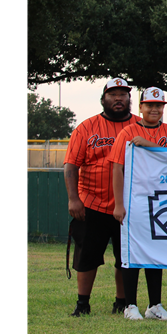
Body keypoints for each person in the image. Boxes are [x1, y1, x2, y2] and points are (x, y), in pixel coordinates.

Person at [64, 78, 141, 316]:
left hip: (128, 206)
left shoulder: (141, 125)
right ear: (103, 99)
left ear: (130, 99)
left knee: (125, 258)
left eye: (123, 94)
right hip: (92, 203)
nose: (118, 98)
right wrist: (73, 198)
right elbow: (70, 166)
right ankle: (82, 303)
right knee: (87, 256)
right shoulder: (87, 127)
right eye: (113, 94)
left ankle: (122, 301)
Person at [110, 86, 167, 320]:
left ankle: (154, 305)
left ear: (163, 108)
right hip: (136, 200)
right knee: (132, 253)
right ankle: (130, 305)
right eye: (149, 105)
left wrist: (149, 145)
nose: (154, 109)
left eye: (158, 105)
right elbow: (117, 167)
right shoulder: (128, 131)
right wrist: (119, 204)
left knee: (155, 253)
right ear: (140, 107)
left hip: (164, 200)